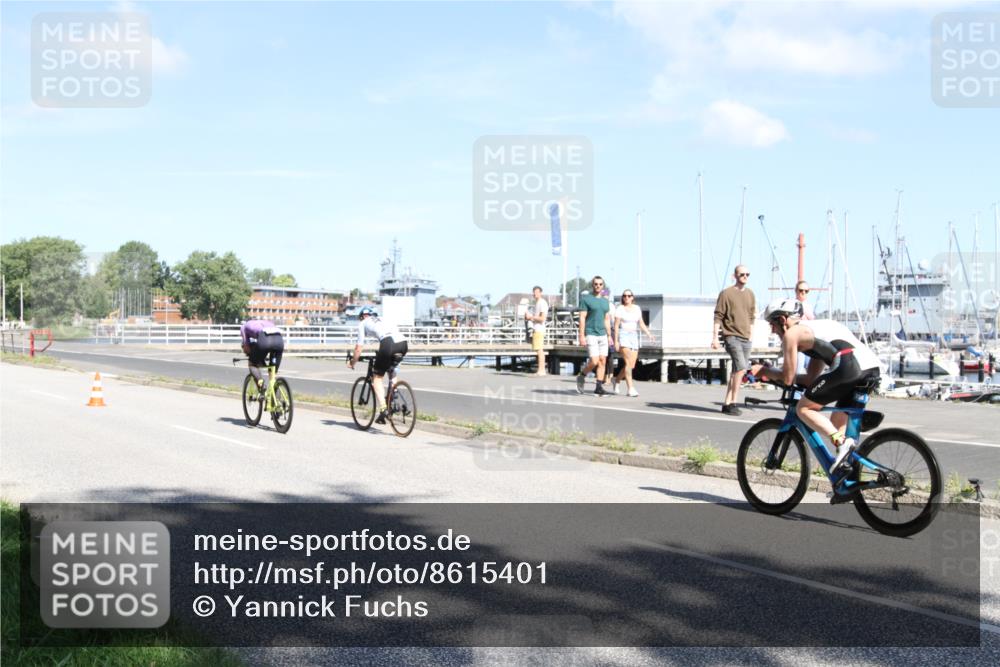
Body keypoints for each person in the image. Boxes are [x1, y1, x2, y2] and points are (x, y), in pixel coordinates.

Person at [749, 299, 881, 478]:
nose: (772, 330)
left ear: (782, 319)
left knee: (803, 408)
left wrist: (765, 371)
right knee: (837, 423)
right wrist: (775, 373)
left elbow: (788, 379)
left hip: (850, 366)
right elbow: (810, 379)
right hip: (870, 368)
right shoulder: (815, 331)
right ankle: (847, 481)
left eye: (772, 324)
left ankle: (842, 444)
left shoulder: (792, 334)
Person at [348, 306, 408, 423]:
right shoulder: (381, 319)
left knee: (377, 378)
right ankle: (393, 393)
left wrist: (352, 362)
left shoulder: (363, 323)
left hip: (388, 343)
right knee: (392, 369)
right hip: (403, 343)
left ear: (362, 317)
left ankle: (383, 408)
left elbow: (358, 348)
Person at [711, 265, 756, 415]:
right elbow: (718, 316)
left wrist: (751, 334)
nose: (745, 277)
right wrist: (715, 338)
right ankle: (734, 402)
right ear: (735, 276)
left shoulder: (750, 294)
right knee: (741, 368)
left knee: (737, 371)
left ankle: (727, 403)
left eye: (747, 274)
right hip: (731, 336)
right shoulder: (726, 294)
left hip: (746, 338)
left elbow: (752, 316)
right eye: (742, 274)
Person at [612, 289, 654, 397]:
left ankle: (616, 380)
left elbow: (641, 323)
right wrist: (616, 341)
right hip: (624, 335)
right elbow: (616, 326)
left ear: (632, 297)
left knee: (631, 365)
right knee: (628, 361)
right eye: (624, 295)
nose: (626, 297)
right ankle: (630, 388)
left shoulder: (637, 308)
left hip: (634, 336)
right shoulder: (620, 308)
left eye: (629, 295)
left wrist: (649, 334)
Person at [576, 276, 612, 396]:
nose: (598, 286)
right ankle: (582, 375)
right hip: (591, 333)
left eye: (600, 284)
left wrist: (609, 335)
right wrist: (581, 336)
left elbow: (607, 319)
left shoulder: (605, 301)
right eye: (596, 284)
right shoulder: (586, 299)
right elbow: (582, 318)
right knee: (594, 361)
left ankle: (598, 387)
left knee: (602, 361)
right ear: (593, 285)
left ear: (603, 286)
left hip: (603, 334)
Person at [240, 319, 284, 388]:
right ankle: (275, 392)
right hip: (279, 340)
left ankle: (261, 385)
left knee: (252, 364)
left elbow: (246, 347)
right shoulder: (265, 322)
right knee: (272, 370)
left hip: (265, 339)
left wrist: (250, 355)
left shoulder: (244, 327)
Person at [523, 286, 549, 376]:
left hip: (539, 329)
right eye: (534, 292)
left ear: (540, 293)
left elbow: (542, 318)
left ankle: (541, 371)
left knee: (539, 350)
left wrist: (531, 317)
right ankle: (541, 370)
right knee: (538, 350)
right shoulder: (537, 303)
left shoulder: (542, 303)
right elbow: (537, 318)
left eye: (537, 292)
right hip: (536, 328)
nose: (535, 294)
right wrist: (529, 318)